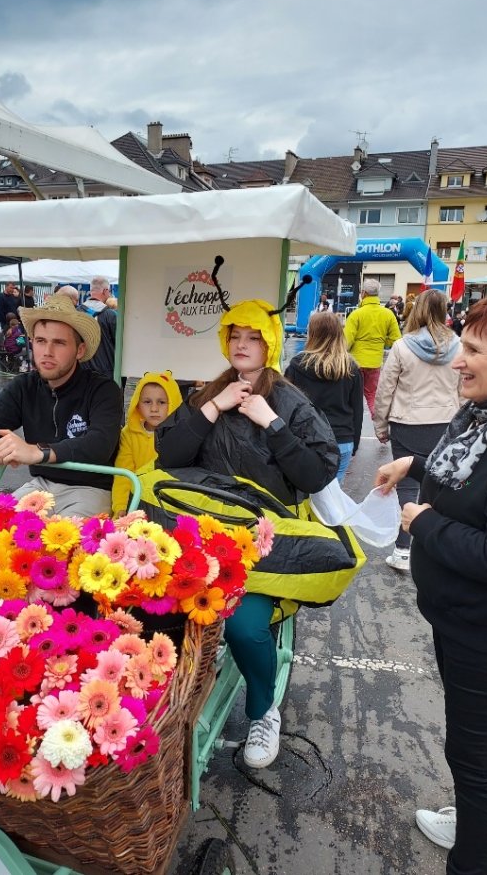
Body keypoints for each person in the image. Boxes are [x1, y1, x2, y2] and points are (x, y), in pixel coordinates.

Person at [157, 298, 338, 769]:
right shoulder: (206, 394)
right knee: (157, 609)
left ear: (269, 344)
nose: (241, 345)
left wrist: (271, 423)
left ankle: (262, 710)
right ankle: (167, 709)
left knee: (243, 624)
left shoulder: (292, 402)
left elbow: (317, 472)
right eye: (234, 336)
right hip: (199, 537)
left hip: (265, 546)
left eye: (252, 337)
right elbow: (170, 457)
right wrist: (212, 408)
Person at [374, 293, 487, 875]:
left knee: (479, 763)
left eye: (475, 350)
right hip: (462, 623)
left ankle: (476, 860)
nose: (459, 360)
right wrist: (415, 466)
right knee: (477, 757)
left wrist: (424, 521)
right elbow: (466, 465)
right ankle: (475, 818)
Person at [0, 292, 123, 517]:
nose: (47, 352)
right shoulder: (24, 386)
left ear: (80, 350)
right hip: (40, 484)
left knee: (65, 545)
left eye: (59, 343)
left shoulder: (103, 389)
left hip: (91, 489)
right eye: (40, 341)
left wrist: (39, 452)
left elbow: (100, 445)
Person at [373, 289, 461, 572]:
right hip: (446, 423)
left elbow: (386, 388)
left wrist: (380, 424)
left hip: (407, 423)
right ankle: (435, 543)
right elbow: (465, 388)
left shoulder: (402, 346)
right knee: (441, 483)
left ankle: (402, 550)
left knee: (407, 485)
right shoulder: (459, 345)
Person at [286, 312, 363, 483]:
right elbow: (357, 410)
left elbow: (286, 405)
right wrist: (355, 443)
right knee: (334, 497)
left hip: (307, 439)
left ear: (311, 333)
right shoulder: (350, 368)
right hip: (342, 439)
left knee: (307, 494)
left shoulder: (297, 365)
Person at [111, 370, 182, 515]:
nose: (154, 409)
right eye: (147, 402)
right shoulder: (128, 435)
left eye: (162, 402)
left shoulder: (181, 435)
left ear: (174, 403)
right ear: (137, 405)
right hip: (137, 502)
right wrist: (121, 507)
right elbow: (123, 474)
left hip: (171, 505)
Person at [344, 278, 401, 417]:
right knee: (372, 397)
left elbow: (346, 341)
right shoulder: (388, 314)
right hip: (375, 363)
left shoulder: (356, 314)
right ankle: (380, 428)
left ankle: (351, 429)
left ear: (363, 293)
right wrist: (381, 342)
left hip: (354, 364)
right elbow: (396, 339)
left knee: (349, 399)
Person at [81, 276, 117, 379]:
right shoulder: (111, 315)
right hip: (105, 374)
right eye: (109, 292)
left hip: (80, 372)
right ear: (105, 291)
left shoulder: (76, 313)